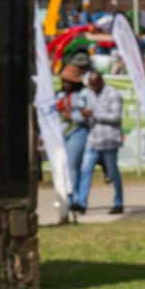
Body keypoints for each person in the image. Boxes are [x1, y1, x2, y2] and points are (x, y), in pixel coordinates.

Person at [70, 58, 125, 215]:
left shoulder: (113, 94)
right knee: (85, 170)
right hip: (93, 140)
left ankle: (118, 202)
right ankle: (81, 203)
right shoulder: (89, 94)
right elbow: (84, 112)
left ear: (101, 82)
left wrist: (95, 114)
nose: (93, 89)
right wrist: (84, 115)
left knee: (113, 173)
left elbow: (116, 117)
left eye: (95, 85)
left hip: (109, 141)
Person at [56, 51, 93, 217]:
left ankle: (75, 199)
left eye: (69, 81)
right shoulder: (60, 95)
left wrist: (74, 116)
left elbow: (88, 114)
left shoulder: (84, 94)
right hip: (63, 132)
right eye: (64, 81)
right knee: (64, 166)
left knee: (73, 166)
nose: (66, 84)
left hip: (78, 131)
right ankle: (68, 196)